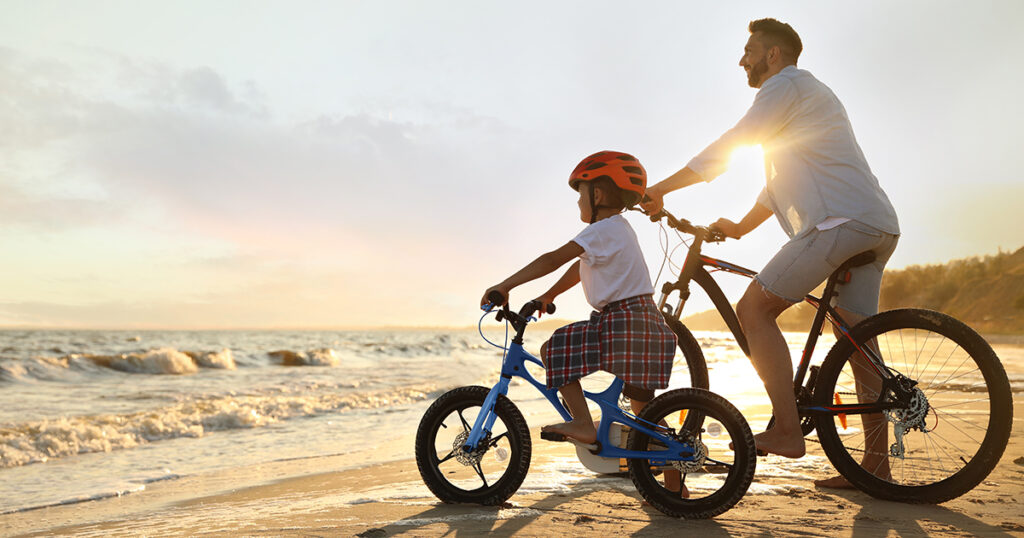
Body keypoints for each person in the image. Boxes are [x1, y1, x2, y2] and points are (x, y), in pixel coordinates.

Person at [641, 18, 899, 489]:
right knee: (859, 345)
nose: (742, 60)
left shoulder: (785, 86)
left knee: (754, 308)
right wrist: (739, 227)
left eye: (749, 51)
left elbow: (729, 146)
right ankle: (875, 469)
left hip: (837, 224)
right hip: (875, 224)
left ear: (774, 55)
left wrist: (658, 188)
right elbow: (777, 185)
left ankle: (785, 429)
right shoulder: (805, 100)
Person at [481, 150, 682, 494]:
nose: (577, 203)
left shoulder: (603, 229)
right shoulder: (616, 230)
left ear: (598, 195)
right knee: (645, 413)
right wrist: (548, 295)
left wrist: (506, 285)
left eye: (580, 195)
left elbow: (554, 258)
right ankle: (675, 491)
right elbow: (580, 267)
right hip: (641, 320)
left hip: (622, 320)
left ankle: (584, 424)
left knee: (553, 348)